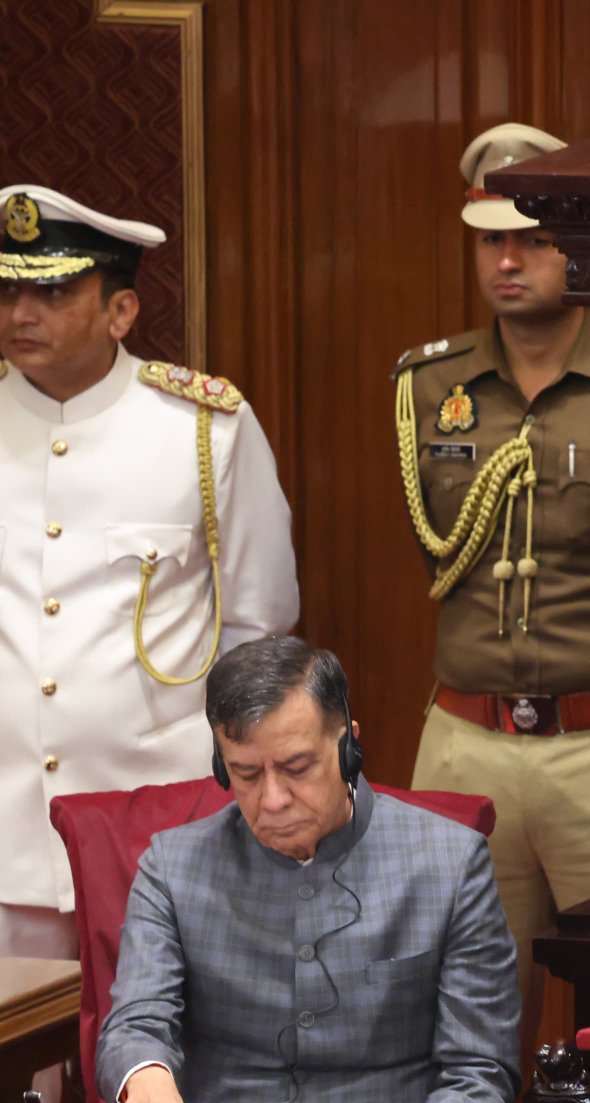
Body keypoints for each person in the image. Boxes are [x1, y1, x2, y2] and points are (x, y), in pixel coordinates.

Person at [394, 124, 590, 1059]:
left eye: (532, 238)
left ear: (576, 246)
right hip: (467, 746)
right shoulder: (432, 388)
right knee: (449, 1018)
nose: (507, 260)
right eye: (489, 239)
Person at [0, 184, 297, 962]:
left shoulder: (200, 429)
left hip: (155, 823)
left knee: (154, 1060)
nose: (20, 312)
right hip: (5, 837)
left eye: (53, 291)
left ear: (121, 311)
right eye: (8, 289)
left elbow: (257, 628)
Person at [97, 637, 520, 1103]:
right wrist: (148, 1077)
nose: (272, 800)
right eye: (246, 774)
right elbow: (136, 1021)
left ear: (349, 749)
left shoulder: (449, 864)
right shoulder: (173, 868)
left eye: (297, 767)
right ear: (221, 769)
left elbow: (480, 1074)